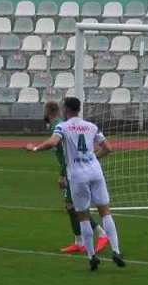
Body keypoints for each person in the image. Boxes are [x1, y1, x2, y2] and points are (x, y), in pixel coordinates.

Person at [27, 96, 124, 271]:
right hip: (95, 172)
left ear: (65, 110)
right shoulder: (91, 126)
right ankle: (116, 251)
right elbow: (108, 148)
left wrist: (35, 148)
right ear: (79, 109)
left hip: (78, 175)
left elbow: (53, 142)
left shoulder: (62, 126)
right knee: (105, 212)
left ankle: (92, 256)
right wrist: (93, 157)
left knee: (83, 215)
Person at [38, 100, 108, 254]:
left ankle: (100, 234)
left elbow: (65, 154)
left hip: (74, 173)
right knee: (71, 206)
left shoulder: (59, 126)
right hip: (77, 170)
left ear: (48, 111)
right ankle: (80, 241)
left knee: (75, 207)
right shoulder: (61, 123)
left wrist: (63, 175)